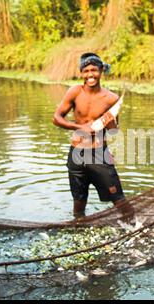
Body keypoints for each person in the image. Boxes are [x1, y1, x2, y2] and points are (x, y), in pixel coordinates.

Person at [53, 53, 130, 219]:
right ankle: (78, 228)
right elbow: (56, 118)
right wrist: (79, 127)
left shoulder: (111, 98)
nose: (90, 75)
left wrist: (109, 120)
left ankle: (134, 226)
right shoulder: (74, 92)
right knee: (78, 202)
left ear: (101, 70)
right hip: (76, 153)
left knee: (119, 200)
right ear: (81, 73)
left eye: (94, 70)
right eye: (86, 70)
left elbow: (113, 131)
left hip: (99, 153)